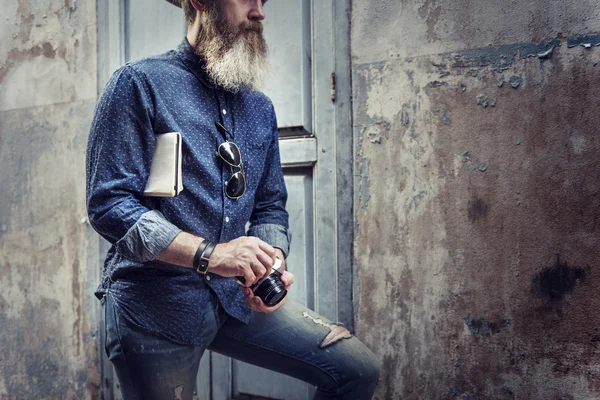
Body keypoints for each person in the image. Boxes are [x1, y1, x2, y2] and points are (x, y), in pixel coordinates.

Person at [86, 0, 380, 398]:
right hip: (153, 310)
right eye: (247, 0)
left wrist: (269, 261)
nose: (260, 13)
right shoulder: (138, 84)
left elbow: (270, 205)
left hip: (232, 300)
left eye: (264, 1)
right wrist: (215, 255)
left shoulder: (260, 107)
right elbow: (110, 205)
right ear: (200, 2)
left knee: (356, 370)